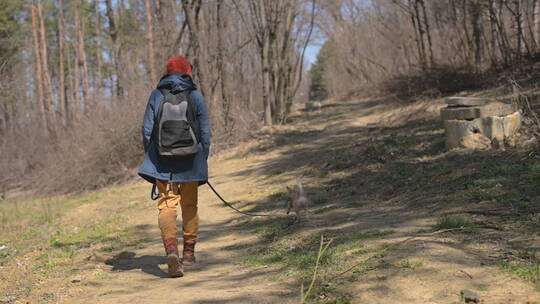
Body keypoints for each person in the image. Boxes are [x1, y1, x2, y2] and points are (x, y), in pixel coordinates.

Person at [138, 56, 211, 278]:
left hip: (163, 162)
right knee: (190, 205)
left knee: (167, 206)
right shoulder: (195, 95)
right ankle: (188, 252)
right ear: (187, 71)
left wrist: (152, 156)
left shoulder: (156, 94)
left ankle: (171, 251)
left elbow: (147, 130)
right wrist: (202, 157)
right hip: (190, 161)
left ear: (167, 73)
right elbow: (205, 131)